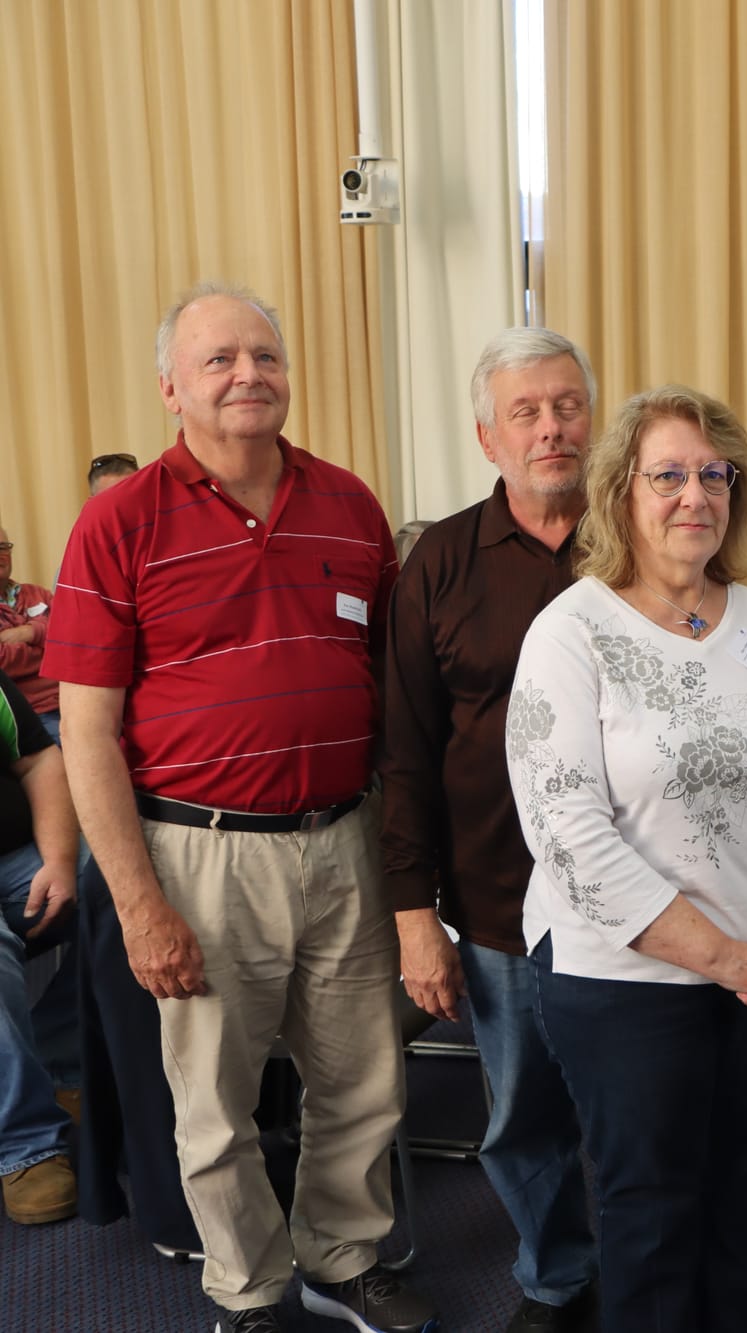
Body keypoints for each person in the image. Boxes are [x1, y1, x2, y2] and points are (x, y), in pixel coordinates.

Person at [44, 282, 435, 1333]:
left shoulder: (350, 506)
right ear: (171, 387)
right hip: (198, 853)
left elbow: (391, 686)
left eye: (264, 355)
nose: (247, 374)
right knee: (214, 1102)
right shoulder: (117, 524)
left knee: (361, 1080)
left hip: (346, 837)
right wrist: (137, 904)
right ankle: (250, 1289)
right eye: (219, 360)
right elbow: (85, 736)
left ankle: (345, 1257)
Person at [509, 384, 747, 1331]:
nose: (693, 495)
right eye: (667, 474)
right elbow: (570, 838)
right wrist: (737, 961)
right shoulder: (572, 633)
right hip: (625, 978)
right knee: (652, 1216)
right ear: (623, 491)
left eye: (715, 474)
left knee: (744, 1192)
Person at [380, 328, 599, 1332]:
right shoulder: (440, 563)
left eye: (565, 405)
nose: (550, 427)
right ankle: (555, 1279)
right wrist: (413, 916)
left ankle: (650, 1269)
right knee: (523, 1116)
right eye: (526, 411)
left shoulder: (647, 534)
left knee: (652, 1107)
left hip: (649, 899)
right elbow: (407, 748)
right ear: (486, 434)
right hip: (500, 899)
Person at [0, 668, 81, 1227]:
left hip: (15, 861)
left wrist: (58, 860)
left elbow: (39, 762)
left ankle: (62, 1066)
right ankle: (27, 1145)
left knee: (120, 887)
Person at [0, 526, 60, 741]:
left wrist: (30, 632)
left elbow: (71, 638)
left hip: (72, 699)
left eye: (3, 547)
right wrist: (47, 639)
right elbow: (3, 663)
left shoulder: (37, 593)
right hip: (30, 713)